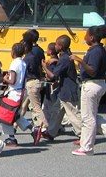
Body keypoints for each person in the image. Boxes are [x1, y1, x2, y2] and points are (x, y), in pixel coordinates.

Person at [69, 25, 106, 156]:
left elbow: (92, 70)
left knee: (87, 118)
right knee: (93, 116)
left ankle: (87, 148)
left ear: (92, 37)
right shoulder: (99, 50)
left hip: (92, 85)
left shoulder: (96, 51)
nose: (84, 37)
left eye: (86, 35)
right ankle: (85, 143)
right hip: (98, 84)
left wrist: (79, 60)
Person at [42, 36, 82, 142]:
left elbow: (53, 76)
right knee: (57, 111)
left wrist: (44, 67)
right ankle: (51, 132)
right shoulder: (65, 56)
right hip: (63, 91)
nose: (55, 46)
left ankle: (83, 135)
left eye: (56, 44)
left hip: (68, 91)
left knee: (73, 114)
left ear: (60, 46)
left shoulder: (64, 59)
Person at [0, 42, 38, 146]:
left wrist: (5, 78)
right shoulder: (23, 62)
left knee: (6, 115)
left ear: (14, 52)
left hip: (14, 92)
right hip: (21, 91)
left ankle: (11, 138)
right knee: (15, 115)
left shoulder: (14, 63)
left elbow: (12, 81)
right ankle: (33, 129)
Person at [21, 29, 48, 141]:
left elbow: (29, 67)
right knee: (24, 105)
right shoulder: (40, 50)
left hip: (32, 81)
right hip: (38, 79)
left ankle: (44, 127)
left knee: (35, 106)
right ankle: (16, 125)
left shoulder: (31, 54)